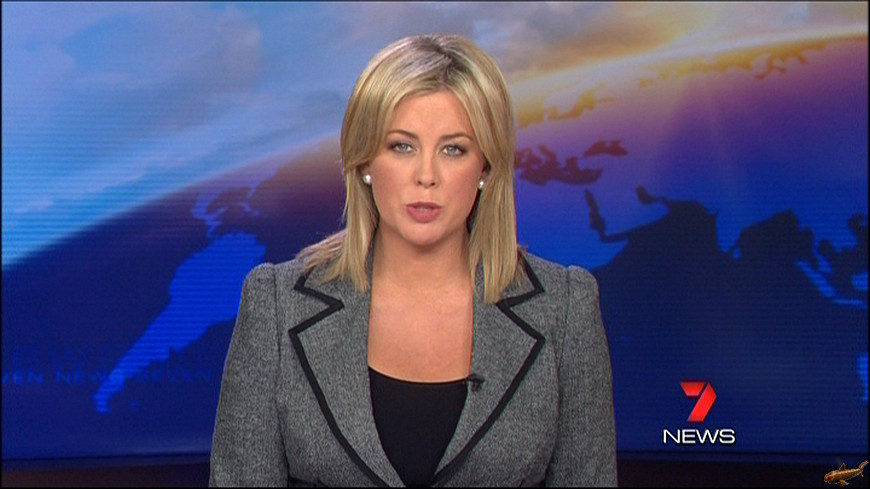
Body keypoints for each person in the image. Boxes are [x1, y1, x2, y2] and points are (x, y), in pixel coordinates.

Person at [209, 33, 617, 487]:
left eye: (453, 149)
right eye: (402, 146)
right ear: (365, 161)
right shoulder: (276, 306)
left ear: (485, 167)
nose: (427, 176)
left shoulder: (564, 309)